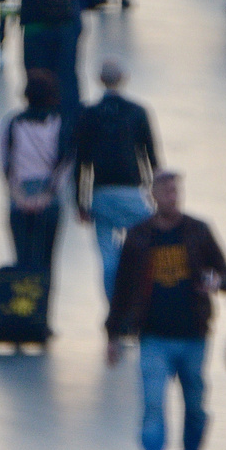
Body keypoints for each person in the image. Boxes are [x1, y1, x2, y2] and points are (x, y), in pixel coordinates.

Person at [106, 171, 226, 450]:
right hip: (153, 339)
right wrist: (113, 335)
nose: (171, 195)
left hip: (194, 337)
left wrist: (216, 280)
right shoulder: (138, 236)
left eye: (175, 189)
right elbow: (121, 288)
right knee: (152, 410)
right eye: (164, 190)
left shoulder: (198, 230)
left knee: (195, 409)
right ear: (153, 196)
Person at [74, 59, 159, 302]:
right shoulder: (138, 111)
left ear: (99, 80)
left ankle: (114, 308)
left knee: (108, 258)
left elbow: (81, 162)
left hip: (101, 193)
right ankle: (141, 302)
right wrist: (157, 188)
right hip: (133, 191)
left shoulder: (89, 114)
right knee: (145, 251)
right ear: (124, 78)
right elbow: (150, 154)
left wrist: (80, 202)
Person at [0, 70, 74, 276]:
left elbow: (5, 163)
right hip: (50, 202)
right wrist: (47, 196)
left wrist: (18, 196)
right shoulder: (61, 124)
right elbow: (65, 164)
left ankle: (22, 305)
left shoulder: (13, 123)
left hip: (19, 199)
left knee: (21, 261)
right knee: (46, 263)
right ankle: (44, 306)